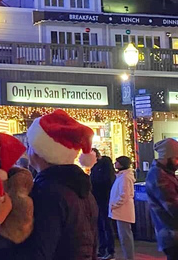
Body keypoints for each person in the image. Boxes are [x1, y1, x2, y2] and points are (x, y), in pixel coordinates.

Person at [10, 109, 98, 260]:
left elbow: (40, 251)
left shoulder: (47, 192)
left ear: (39, 153)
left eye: (30, 146)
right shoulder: (83, 190)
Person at [146, 138, 178, 260]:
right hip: (176, 238)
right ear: (165, 157)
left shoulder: (167, 174)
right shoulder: (160, 177)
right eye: (177, 158)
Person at [91, 148, 116, 259]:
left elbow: (107, 181)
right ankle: (102, 248)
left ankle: (109, 250)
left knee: (106, 225)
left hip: (104, 199)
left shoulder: (104, 166)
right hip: (98, 199)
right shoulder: (96, 167)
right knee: (100, 225)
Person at [109, 156, 135, 260]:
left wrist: (114, 205)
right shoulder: (122, 176)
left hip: (123, 211)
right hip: (121, 210)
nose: (115, 164)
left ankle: (129, 257)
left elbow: (124, 195)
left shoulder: (125, 177)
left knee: (125, 236)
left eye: (117, 162)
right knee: (124, 235)